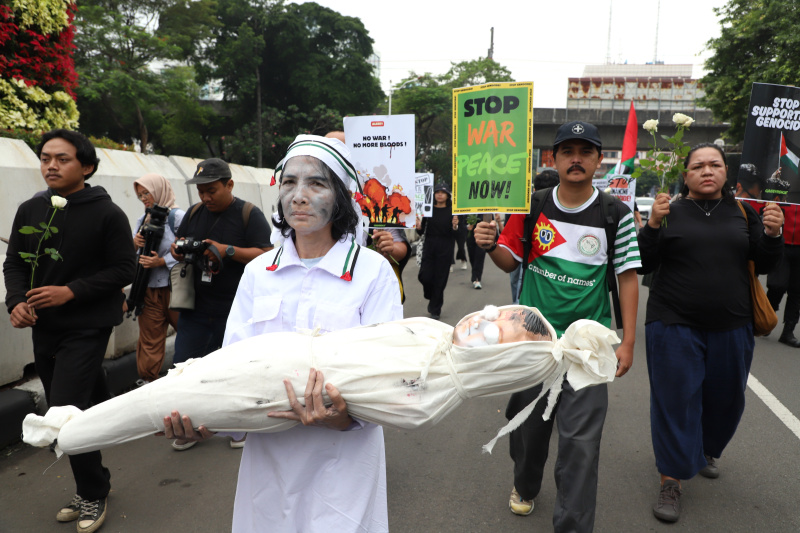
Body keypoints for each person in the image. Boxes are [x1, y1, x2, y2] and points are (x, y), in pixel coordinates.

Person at [160, 134, 403, 532]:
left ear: (341, 197)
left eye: (316, 183)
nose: (299, 196)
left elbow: (386, 379)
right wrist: (207, 420)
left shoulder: (373, 273)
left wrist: (342, 419)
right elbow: (233, 368)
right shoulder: (259, 272)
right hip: (269, 465)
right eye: (289, 182)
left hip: (343, 466)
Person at [473, 120, 641, 532]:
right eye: (568, 151)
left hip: (587, 349)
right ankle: (525, 484)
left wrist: (628, 342)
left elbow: (627, 277)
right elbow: (509, 262)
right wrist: (490, 244)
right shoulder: (531, 206)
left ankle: (573, 525)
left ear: (599, 160)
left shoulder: (615, 215)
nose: (576, 159)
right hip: (534, 342)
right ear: (555, 159)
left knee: (581, 446)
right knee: (528, 433)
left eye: (586, 152)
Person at [638, 143, 784, 523]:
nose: (707, 171)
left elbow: (764, 262)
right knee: (674, 401)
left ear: (725, 172)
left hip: (732, 325)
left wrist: (773, 234)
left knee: (727, 401)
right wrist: (651, 226)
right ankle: (671, 479)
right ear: (685, 174)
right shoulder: (669, 211)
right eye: (698, 166)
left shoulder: (744, 213)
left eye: (714, 165)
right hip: (672, 322)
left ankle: (705, 447)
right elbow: (643, 263)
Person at [4, 129, 136, 533]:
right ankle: (100, 466)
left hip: (87, 326)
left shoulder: (108, 214)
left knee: (63, 411)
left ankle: (92, 492)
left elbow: (124, 269)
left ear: (87, 167)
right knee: (84, 402)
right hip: (45, 327)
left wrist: (71, 291)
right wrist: (16, 302)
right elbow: (14, 262)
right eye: (45, 158)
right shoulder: (31, 209)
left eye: (62, 159)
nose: (51, 166)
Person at [168, 158, 272, 450]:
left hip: (235, 309)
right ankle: (190, 427)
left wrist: (228, 251)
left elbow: (267, 255)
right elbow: (181, 242)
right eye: (201, 191)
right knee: (184, 367)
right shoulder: (194, 213)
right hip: (196, 307)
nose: (205, 197)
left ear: (229, 185)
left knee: (235, 371)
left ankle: (239, 426)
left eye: (211, 190)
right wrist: (178, 251)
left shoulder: (249, 214)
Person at [131, 173, 184, 383]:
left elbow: (187, 248)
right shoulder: (142, 219)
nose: (144, 198)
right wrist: (135, 243)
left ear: (159, 190)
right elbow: (133, 252)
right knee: (150, 339)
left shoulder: (178, 217)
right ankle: (147, 383)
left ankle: (189, 378)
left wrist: (162, 261)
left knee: (187, 333)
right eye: (140, 195)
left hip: (175, 287)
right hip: (149, 287)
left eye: (147, 193)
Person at [509, 169, 561, 302]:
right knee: (518, 279)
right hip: (521, 251)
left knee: (519, 279)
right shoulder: (525, 205)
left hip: (526, 255)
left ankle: (517, 303)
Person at [416, 182, 458, 319]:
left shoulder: (453, 212)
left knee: (440, 279)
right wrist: (418, 226)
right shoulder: (428, 210)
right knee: (425, 276)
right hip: (429, 246)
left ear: (448, 195)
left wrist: (455, 226)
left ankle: (435, 309)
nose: (440, 194)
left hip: (445, 248)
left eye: (443, 192)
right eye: (437, 192)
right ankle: (430, 295)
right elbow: (421, 231)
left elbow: (457, 234)